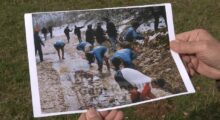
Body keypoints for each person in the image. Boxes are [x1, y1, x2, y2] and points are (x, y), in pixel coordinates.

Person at [79, 29, 220, 120]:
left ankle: (131, 97)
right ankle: (132, 99)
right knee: (135, 93)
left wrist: (151, 97)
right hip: (121, 75)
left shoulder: (147, 80)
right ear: (156, 83)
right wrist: (148, 99)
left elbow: (148, 93)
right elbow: (148, 94)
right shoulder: (147, 82)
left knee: (136, 92)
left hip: (123, 73)